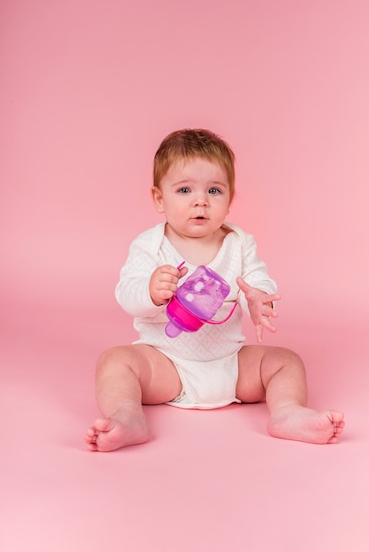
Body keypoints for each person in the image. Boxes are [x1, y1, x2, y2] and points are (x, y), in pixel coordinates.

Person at [85, 128, 344, 451]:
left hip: (231, 364)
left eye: (214, 190)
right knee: (114, 361)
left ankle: (287, 413)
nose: (200, 201)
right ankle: (128, 416)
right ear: (158, 198)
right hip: (167, 364)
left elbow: (258, 279)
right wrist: (150, 291)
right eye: (183, 190)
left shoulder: (239, 243)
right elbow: (126, 294)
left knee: (286, 361)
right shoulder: (149, 246)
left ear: (230, 199)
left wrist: (259, 298)